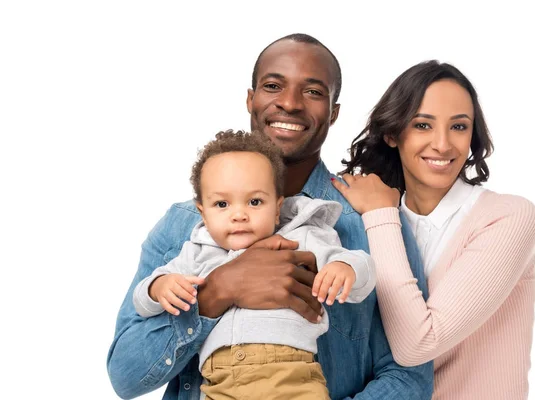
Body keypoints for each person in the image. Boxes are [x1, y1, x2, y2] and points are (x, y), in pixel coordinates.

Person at [107, 33, 433, 400]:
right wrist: (217, 292)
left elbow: (410, 377)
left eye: (312, 91)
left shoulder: (369, 220)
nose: (290, 103)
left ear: (334, 111)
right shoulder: (183, 224)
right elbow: (125, 376)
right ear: (251, 99)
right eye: (273, 85)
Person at [332, 60, 535, 399]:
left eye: (459, 127)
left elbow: (417, 345)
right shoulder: (370, 219)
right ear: (392, 133)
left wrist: (381, 213)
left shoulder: (508, 217)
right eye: (423, 125)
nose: (442, 145)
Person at [133, 129, 376, 400]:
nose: (239, 215)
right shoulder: (196, 252)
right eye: (222, 203)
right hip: (218, 384)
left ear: (276, 208)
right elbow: (141, 301)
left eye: (255, 201)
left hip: (291, 377)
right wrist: (158, 286)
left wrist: (345, 267)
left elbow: (363, 270)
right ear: (203, 211)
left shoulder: (301, 237)